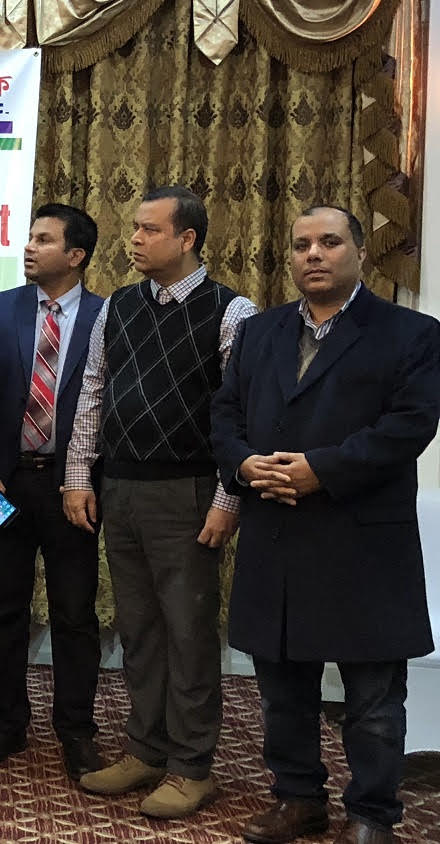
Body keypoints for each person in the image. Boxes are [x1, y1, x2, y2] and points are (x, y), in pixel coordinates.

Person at [212, 206, 440, 844]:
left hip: (362, 541)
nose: (313, 254)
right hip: (276, 534)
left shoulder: (411, 333)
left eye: (329, 242)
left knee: (372, 698)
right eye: (301, 244)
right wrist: (244, 463)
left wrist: (322, 470)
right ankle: (298, 798)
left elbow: (409, 426)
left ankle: (371, 813)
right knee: (282, 691)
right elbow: (225, 415)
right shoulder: (259, 332)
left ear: (360, 252)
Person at [64, 186, 256, 819]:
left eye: (149, 230)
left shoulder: (231, 311)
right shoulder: (119, 305)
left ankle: (191, 766)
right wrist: (78, 475)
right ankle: (145, 749)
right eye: (135, 228)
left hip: (188, 491)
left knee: (188, 631)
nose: (135, 240)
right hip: (119, 487)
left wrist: (229, 498)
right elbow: (93, 391)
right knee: (139, 628)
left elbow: (240, 413)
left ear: (187, 239)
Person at [0, 204, 106, 780]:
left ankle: (76, 728)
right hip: (5, 484)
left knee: (74, 612)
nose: (28, 247)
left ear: (75, 255)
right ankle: (6, 721)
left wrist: (89, 479)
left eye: (44, 239)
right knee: (5, 607)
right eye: (29, 237)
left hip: (70, 487)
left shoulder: (105, 315)